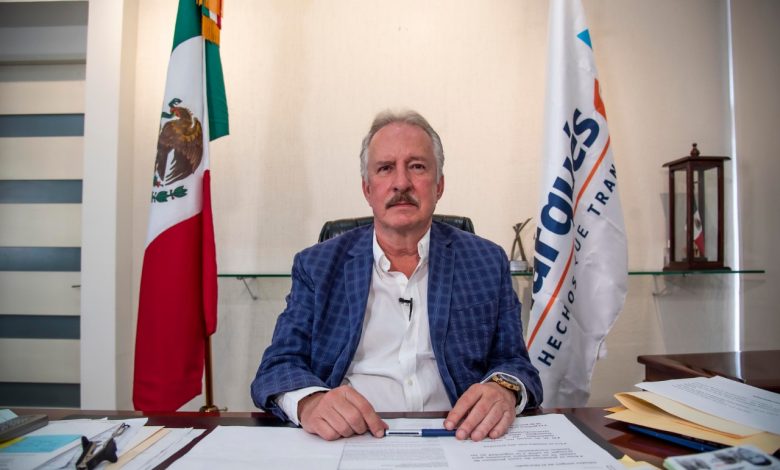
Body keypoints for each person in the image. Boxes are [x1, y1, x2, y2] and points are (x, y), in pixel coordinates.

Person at [251, 109, 542, 441]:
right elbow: (277, 366)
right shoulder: (318, 266)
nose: (401, 183)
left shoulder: (486, 261)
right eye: (385, 168)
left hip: (459, 437)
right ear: (367, 189)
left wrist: (503, 390)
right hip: (352, 438)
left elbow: (514, 363)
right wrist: (310, 402)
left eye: (417, 166)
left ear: (439, 185)